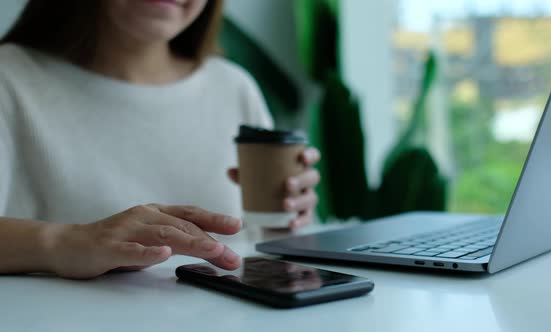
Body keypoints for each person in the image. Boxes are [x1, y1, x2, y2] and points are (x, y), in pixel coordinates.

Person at [0, 0, 321, 279]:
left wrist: (286, 220)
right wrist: (69, 241)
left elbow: (255, 244)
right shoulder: (10, 77)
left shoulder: (233, 86)